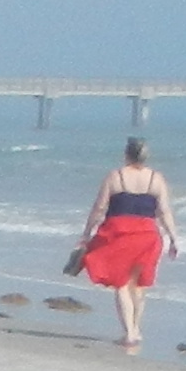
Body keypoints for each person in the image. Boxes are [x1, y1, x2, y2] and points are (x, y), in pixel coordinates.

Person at [74, 138, 177, 351]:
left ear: (126, 155)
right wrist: (174, 238)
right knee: (139, 284)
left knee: (121, 283)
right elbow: (164, 211)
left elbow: (99, 208)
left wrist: (86, 233)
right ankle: (135, 329)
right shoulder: (156, 179)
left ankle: (129, 333)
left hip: (119, 233)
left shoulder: (115, 177)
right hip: (148, 235)